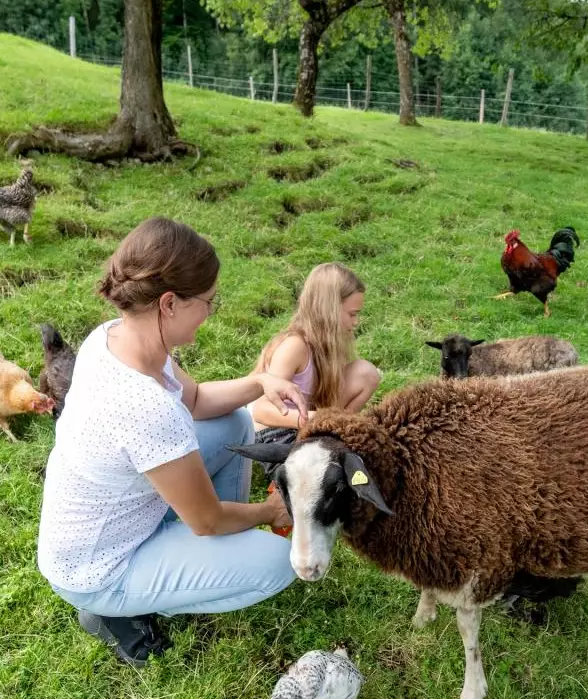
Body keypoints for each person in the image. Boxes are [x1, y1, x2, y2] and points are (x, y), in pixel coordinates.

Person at [37, 217, 306, 667]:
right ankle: (115, 610)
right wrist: (272, 512)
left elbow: (198, 399)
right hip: (97, 569)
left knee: (236, 423)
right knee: (280, 562)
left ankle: (190, 562)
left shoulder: (111, 337)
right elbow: (207, 519)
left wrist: (261, 381)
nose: (209, 312)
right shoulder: (146, 409)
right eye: (207, 302)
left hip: (108, 521)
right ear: (168, 303)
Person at [250, 263, 381, 460]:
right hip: (275, 432)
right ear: (329, 309)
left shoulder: (331, 346)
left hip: (306, 425)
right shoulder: (295, 346)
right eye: (352, 314)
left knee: (367, 373)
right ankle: (325, 441)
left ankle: (335, 438)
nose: (356, 322)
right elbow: (261, 410)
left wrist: (323, 421)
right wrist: (316, 420)